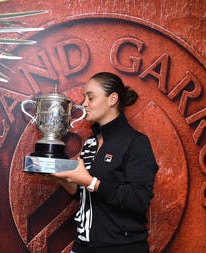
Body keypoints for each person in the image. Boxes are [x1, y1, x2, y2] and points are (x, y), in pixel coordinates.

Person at [53, 72, 158, 253]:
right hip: (82, 246)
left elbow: (138, 200)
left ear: (112, 99)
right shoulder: (91, 144)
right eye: (84, 97)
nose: (84, 103)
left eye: (91, 98)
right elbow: (83, 194)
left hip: (120, 248)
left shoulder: (136, 142)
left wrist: (89, 181)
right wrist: (61, 176)